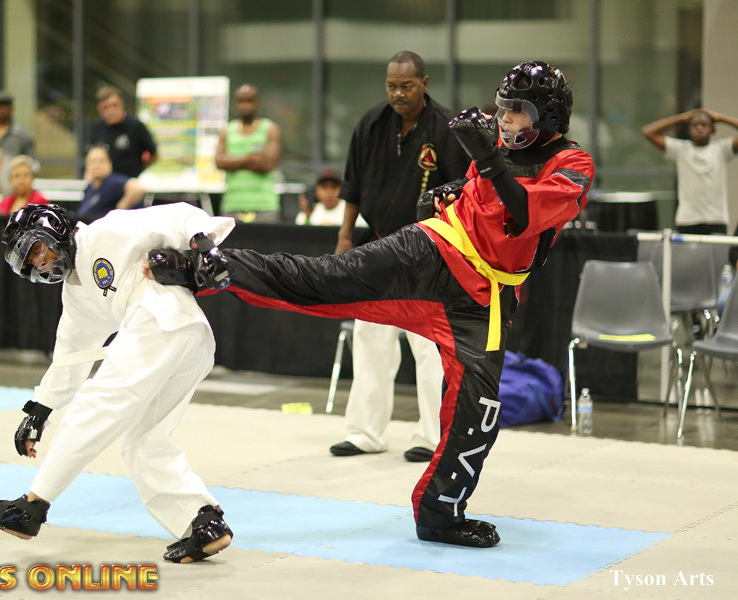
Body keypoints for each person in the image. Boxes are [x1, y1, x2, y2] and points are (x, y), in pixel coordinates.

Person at [148, 60, 594, 548]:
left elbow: (523, 214)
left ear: (548, 117)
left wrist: (485, 159)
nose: (506, 119)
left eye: (518, 111)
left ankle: (440, 515)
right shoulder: (495, 148)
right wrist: (454, 188)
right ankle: (205, 268)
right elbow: (480, 193)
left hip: (482, 298)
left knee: (478, 414)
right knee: (325, 278)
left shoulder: (573, 165)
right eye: (504, 108)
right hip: (431, 252)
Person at [0, 202, 236, 563]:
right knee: (142, 441)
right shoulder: (76, 292)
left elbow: (180, 216)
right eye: (31, 263)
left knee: (93, 407)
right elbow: (71, 355)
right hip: (189, 341)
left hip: (160, 319)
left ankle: (31, 507)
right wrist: (40, 410)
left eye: (38, 250)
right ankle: (203, 521)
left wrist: (205, 245)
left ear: (55, 230)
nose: (41, 264)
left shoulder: (108, 231)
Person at [331, 51, 470, 463]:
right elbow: (352, 186)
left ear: (424, 84)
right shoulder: (371, 124)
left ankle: (431, 435)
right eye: (392, 86)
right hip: (377, 246)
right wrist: (344, 237)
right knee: (369, 340)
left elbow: (465, 193)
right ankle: (365, 432)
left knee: (428, 348)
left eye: (407, 86)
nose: (398, 94)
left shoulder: (446, 128)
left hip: (428, 251)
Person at [642, 108, 738, 234]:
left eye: (704, 125)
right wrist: (682, 118)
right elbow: (648, 132)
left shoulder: (722, 149)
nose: (699, 128)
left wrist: (720, 118)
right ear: (688, 130)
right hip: (687, 219)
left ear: (712, 129)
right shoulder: (680, 149)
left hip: (716, 219)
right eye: (694, 125)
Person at [215, 84, 282, 223]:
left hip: (265, 205)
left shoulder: (270, 128)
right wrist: (252, 158)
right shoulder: (226, 130)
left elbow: (268, 164)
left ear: (257, 103)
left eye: (249, 101)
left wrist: (233, 162)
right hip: (232, 204)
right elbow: (220, 162)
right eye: (241, 101)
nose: (245, 105)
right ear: (235, 104)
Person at [88, 85, 158, 178]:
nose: (111, 110)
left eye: (114, 105)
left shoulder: (135, 126)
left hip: (128, 181)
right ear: (100, 109)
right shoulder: (97, 127)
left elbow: (153, 154)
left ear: (121, 104)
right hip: (104, 182)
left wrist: (138, 171)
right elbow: (91, 154)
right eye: (106, 107)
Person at [78, 145, 148, 218]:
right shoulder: (90, 187)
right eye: (93, 162)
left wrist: (121, 207)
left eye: (101, 161)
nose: (97, 165)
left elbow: (138, 188)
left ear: (109, 163)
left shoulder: (113, 182)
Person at [295, 168, 363, 227]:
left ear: (341, 189)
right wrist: (308, 218)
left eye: (334, 187)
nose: (329, 193)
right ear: (317, 190)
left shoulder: (352, 211)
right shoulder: (309, 212)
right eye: (324, 187)